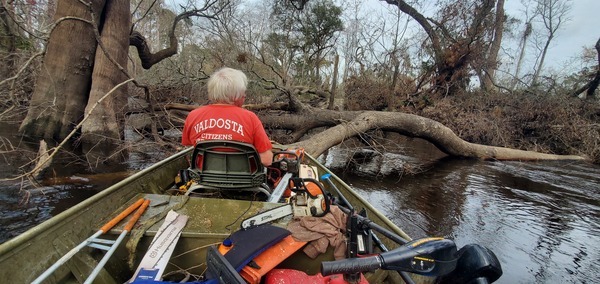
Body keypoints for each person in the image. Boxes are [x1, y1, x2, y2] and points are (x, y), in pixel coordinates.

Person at [181, 67, 273, 166]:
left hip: (203, 179)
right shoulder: (250, 118)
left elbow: (189, 147)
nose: (245, 96)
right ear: (235, 95)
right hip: (242, 180)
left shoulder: (193, 116)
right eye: (243, 92)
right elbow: (266, 160)